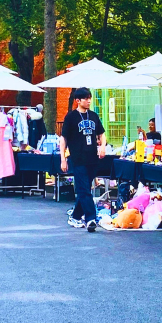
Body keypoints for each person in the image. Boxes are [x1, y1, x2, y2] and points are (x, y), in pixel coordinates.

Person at [60, 87, 106, 233]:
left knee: (84, 189)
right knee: (84, 190)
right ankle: (91, 218)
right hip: (77, 158)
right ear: (78, 101)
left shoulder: (93, 116)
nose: (89, 101)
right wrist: (63, 159)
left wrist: (103, 146)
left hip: (92, 158)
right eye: (86, 98)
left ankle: (75, 216)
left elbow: (102, 133)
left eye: (89, 98)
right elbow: (64, 138)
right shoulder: (71, 117)